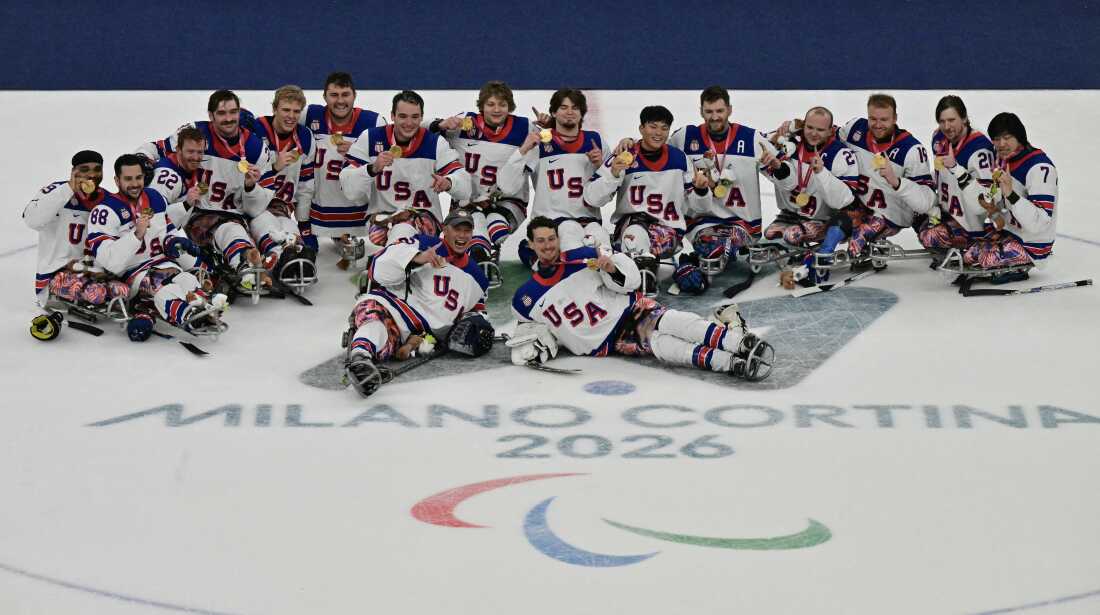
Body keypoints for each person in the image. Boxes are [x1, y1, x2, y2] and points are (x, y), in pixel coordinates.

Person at [508, 217, 773, 380]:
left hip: (629, 309)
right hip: (606, 342)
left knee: (675, 322)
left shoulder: (583, 257)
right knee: (665, 347)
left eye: (551, 238)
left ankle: (738, 342)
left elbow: (630, 282)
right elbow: (531, 335)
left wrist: (611, 268)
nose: (547, 245)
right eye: (540, 241)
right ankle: (730, 363)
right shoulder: (524, 300)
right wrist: (532, 348)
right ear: (530, 244)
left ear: (558, 238)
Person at [343, 209, 493, 397]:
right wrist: (416, 259)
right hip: (396, 309)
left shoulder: (478, 277)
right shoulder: (423, 243)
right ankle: (360, 359)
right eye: (457, 229)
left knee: (385, 335)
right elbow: (378, 268)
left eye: (467, 230)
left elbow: (477, 311)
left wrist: (474, 324)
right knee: (374, 317)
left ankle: (375, 353)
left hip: (426, 336)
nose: (462, 235)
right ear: (445, 229)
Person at [136, 90, 273, 286]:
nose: (228, 119)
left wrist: (251, 187)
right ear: (210, 115)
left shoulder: (256, 148)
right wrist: (141, 161)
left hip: (233, 214)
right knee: (162, 190)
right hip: (195, 212)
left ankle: (247, 262)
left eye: (233, 112)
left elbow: (258, 207)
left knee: (236, 229)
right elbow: (156, 148)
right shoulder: (195, 133)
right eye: (222, 113)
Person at [86, 154, 225, 341]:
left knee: (186, 279)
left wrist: (173, 242)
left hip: (163, 264)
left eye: (138, 177)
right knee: (163, 290)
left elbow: (165, 231)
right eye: (128, 179)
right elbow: (110, 262)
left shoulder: (154, 197)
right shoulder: (104, 211)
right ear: (117, 180)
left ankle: (203, 306)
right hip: (134, 274)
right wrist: (137, 235)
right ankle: (189, 316)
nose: (135, 183)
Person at [668, 86, 780, 293]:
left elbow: (785, 176)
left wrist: (778, 166)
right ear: (701, 111)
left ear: (729, 110)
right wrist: (630, 143)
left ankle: (696, 262)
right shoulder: (684, 137)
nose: (714, 117)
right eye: (709, 112)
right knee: (713, 245)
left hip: (742, 223)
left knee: (721, 247)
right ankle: (704, 259)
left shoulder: (751, 138)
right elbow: (654, 150)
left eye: (719, 111)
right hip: (701, 221)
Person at [429, 80, 538, 277]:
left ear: (510, 107)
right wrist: (440, 124)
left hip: (508, 200)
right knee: (473, 221)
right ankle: (480, 256)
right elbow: (420, 131)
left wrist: (551, 123)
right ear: (481, 106)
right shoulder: (464, 122)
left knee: (497, 226)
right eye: (491, 104)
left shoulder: (524, 128)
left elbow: (555, 138)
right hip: (468, 200)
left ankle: (484, 248)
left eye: (502, 104)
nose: (496, 109)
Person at [583, 105, 693, 294]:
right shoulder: (624, 155)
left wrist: (701, 190)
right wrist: (614, 174)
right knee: (633, 233)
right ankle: (643, 284)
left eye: (664, 128)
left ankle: (641, 275)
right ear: (641, 128)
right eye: (653, 126)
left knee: (634, 236)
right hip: (630, 230)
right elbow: (591, 198)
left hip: (668, 233)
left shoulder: (680, 159)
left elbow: (696, 203)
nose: (658, 133)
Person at [340, 90, 471, 248]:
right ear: (392, 116)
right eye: (403, 116)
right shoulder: (370, 138)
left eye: (415, 117)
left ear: (422, 117)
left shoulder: (435, 143)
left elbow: (465, 186)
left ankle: (388, 258)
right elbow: (349, 190)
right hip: (381, 221)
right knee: (395, 235)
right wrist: (372, 168)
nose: (409, 123)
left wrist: (449, 182)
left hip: (425, 221)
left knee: (402, 229)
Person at [498, 88, 606, 262]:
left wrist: (601, 166)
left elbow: (609, 192)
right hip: (551, 223)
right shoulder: (539, 141)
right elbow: (506, 186)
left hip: (589, 220)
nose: (570, 112)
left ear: (582, 113)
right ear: (553, 112)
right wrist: (523, 149)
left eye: (575, 107)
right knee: (579, 255)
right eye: (563, 107)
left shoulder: (595, 141)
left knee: (604, 249)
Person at [837, 93, 936, 260]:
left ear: (895, 118)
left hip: (891, 214)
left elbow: (926, 199)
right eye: (873, 119)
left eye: (884, 119)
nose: (877, 125)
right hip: (860, 205)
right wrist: (796, 127)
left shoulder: (911, 149)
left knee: (857, 240)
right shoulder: (855, 128)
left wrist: (896, 182)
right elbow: (827, 136)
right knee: (833, 226)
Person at [302, 72, 386, 265]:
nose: (340, 101)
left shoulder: (372, 123)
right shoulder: (309, 115)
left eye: (345, 94)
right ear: (324, 96)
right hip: (318, 212)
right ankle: (317, 229)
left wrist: (360, 151)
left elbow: (390, 163)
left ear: (354, 95)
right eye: (334, 95)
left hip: (358, 213)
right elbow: (280, 123)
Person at [966, 112, 1057, 280]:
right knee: (966, 247)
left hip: (1032, 243)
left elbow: (1040, 223)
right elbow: (1001, 213)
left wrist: (1011, 194)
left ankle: (1017, 267)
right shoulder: (1003, 161)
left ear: (1019, 137)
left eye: (1007, 138)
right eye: (997, 139)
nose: (1001, 144)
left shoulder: (1039, 167)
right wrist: (992, 209)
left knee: (984, 257)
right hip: (1009, 232)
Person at [251, 85, 319, 290]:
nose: (291, 116)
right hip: (251, 201)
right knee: (264, 221)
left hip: (281, 204)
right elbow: (242, 173)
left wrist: (304, 225)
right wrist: (274, 167)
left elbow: (306, 185)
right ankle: (277, 254)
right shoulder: (256, 130)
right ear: (274, 109)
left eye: (296, 111)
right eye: (286, 110)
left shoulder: (305, 137)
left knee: (287, 226)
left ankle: (294, 253)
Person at [23, 149, 112, 306]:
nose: (92, 175)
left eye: (97, 169)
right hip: (56, 274)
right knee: (98, 294)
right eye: (84, 169)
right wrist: (69, 188)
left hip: (93, 272)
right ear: (73, 171)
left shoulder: (108, 200)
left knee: (124, 290)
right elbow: (32, 220)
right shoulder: (57, 191)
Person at [921, 96, 997, 254]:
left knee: (931, 237)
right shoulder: (939, 137)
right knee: (914, 210)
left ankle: (985, 239)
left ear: (964, 118)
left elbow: (989, 196)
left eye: (951, 120)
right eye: (942, 121)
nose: (947, 126)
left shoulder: (979, 149)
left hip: (971, 223)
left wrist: (957, 169)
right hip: (948, 212)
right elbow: (941, 174)